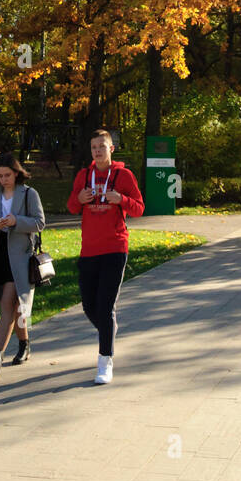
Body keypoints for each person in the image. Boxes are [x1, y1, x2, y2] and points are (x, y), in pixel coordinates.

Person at [66, 129, 145, 384]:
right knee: (89, 306)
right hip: (88, 249)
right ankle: (108, 335)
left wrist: (121, 199)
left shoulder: (123, 175)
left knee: (105, 306)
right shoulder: (84, 175)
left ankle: (104, 361)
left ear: (111, 149)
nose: (97, 151)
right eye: (93, 148)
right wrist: (78, 198)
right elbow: (71, 207)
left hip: (115, 247)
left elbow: (140, 208)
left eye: (102, 146)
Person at [0, 153, 45, 376]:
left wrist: (16, 222)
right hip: (0, 255)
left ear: (16, 173)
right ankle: (24, 344)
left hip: (22, 256)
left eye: (7, 175)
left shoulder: (29, 194)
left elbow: (40, 222)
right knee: (17, 308)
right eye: (0, 175)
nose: (3, 179)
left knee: (10, 303)